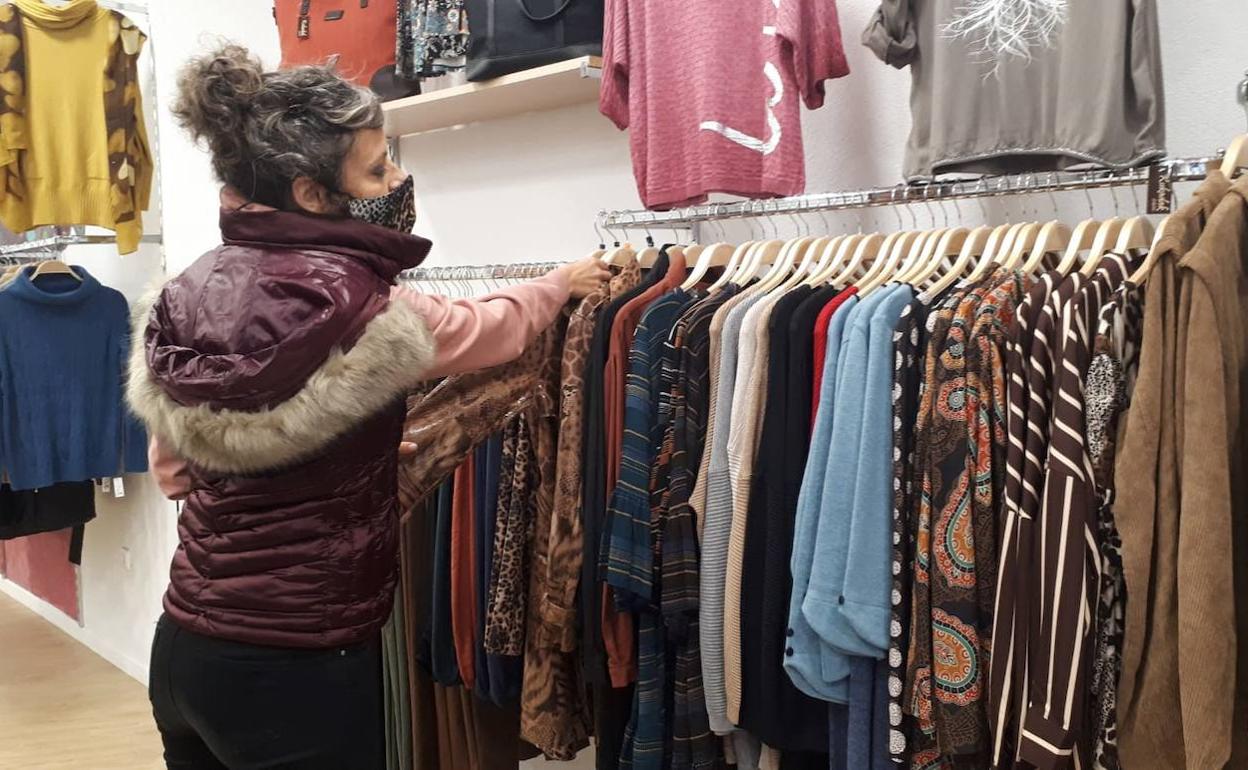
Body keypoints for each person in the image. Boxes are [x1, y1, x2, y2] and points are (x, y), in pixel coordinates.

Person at [127, 44, 610, 770]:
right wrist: (559, 283)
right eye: (378, 168)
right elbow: (492, 330)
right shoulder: (367, 307)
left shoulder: (185, 292)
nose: (398, 180)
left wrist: (343, 457)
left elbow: (177, 471)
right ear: (313, 193)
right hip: (299, 668)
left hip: (185, 651)